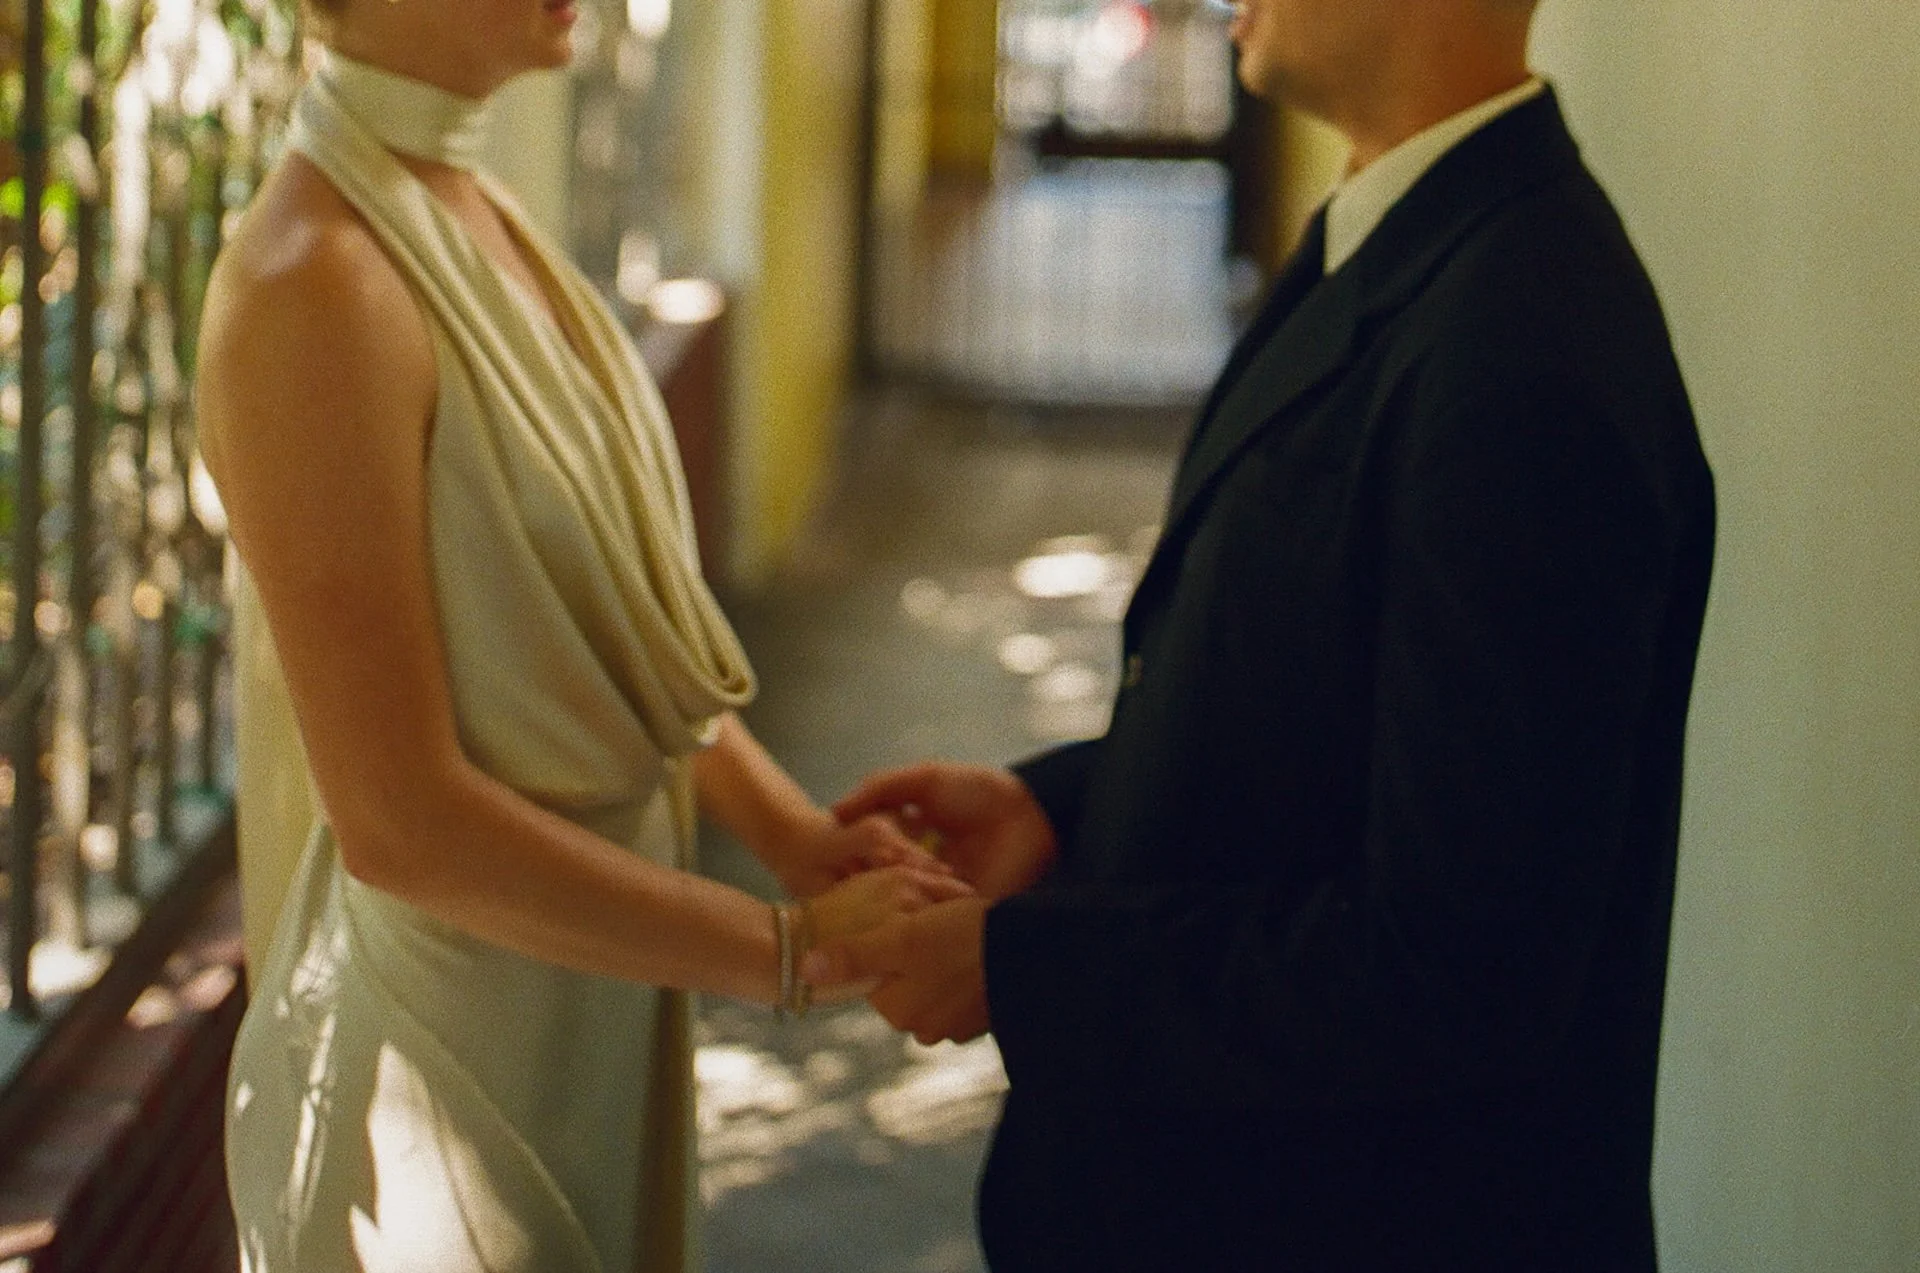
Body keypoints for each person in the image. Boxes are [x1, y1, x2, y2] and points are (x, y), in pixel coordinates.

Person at [812, 0, 1716, 1268]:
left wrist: (1027, 972)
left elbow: (1456, 967)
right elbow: (1324, 713)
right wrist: (1070, 810)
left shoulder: (1525, 350)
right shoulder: (1407, 237)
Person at [196, 3, 964, 1271]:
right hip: (447, 1053)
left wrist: (790, 832)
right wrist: (787, 951)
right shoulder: (312, 284)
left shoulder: (462, 206)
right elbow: (400, 824)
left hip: (588, 994)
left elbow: (604, 627)